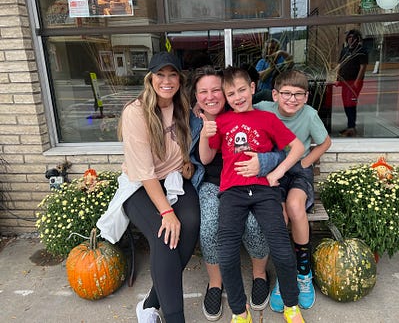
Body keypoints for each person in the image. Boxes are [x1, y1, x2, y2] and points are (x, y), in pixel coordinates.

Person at [97, 51, 200, 323]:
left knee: (189, 227)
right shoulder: (136, 112)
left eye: (172, 74)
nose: (166, 81)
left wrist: (187, 163)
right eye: (160, 75)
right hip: (141, 186)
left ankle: (151, 303)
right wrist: (167, 213)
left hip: (175, 180)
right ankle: (175, 318)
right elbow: (144, 172)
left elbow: (183, 146)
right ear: (150, 78)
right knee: (167, 239)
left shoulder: (182, 105)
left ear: (180, 79)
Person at [199, 66, 306, 323]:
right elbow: (205, 157)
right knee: (227, 253)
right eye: (231, 93)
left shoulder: (267, 119)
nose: (237, 97)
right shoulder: (221, 122)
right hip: (232, 193)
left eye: (242, 90)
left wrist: (276, 172)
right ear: (226, 96)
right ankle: (240, 311)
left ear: (253, 89)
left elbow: (298, 147)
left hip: (264, 190)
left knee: (281, 248)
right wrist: (205, 134)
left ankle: (292, 306)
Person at [254, 70, 331, 312]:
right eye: (286, 93)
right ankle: (284, 276)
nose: (292, 99)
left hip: (298, 172)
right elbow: (236, 105)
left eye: (298, 94)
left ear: (306, 97)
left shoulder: (309, 115)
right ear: (275, 94)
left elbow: (325, 142)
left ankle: (303, 272)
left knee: (295, 207)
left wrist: (306, 163)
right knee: (279, 214)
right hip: (272, 171)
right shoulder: (264, 107)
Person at [334, 29, 368, 137]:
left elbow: (363, 67)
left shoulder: (361, 51)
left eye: (353, 38)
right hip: (344, 81)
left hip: (353, 82)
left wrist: (357, 81)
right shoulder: (345, 50)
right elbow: (340, 65)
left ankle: (351, 127)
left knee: (351, 104)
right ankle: (350, 126)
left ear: (357, 39)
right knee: (346, 104)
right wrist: (337, 79)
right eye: (349, 38)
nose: (351, 40)